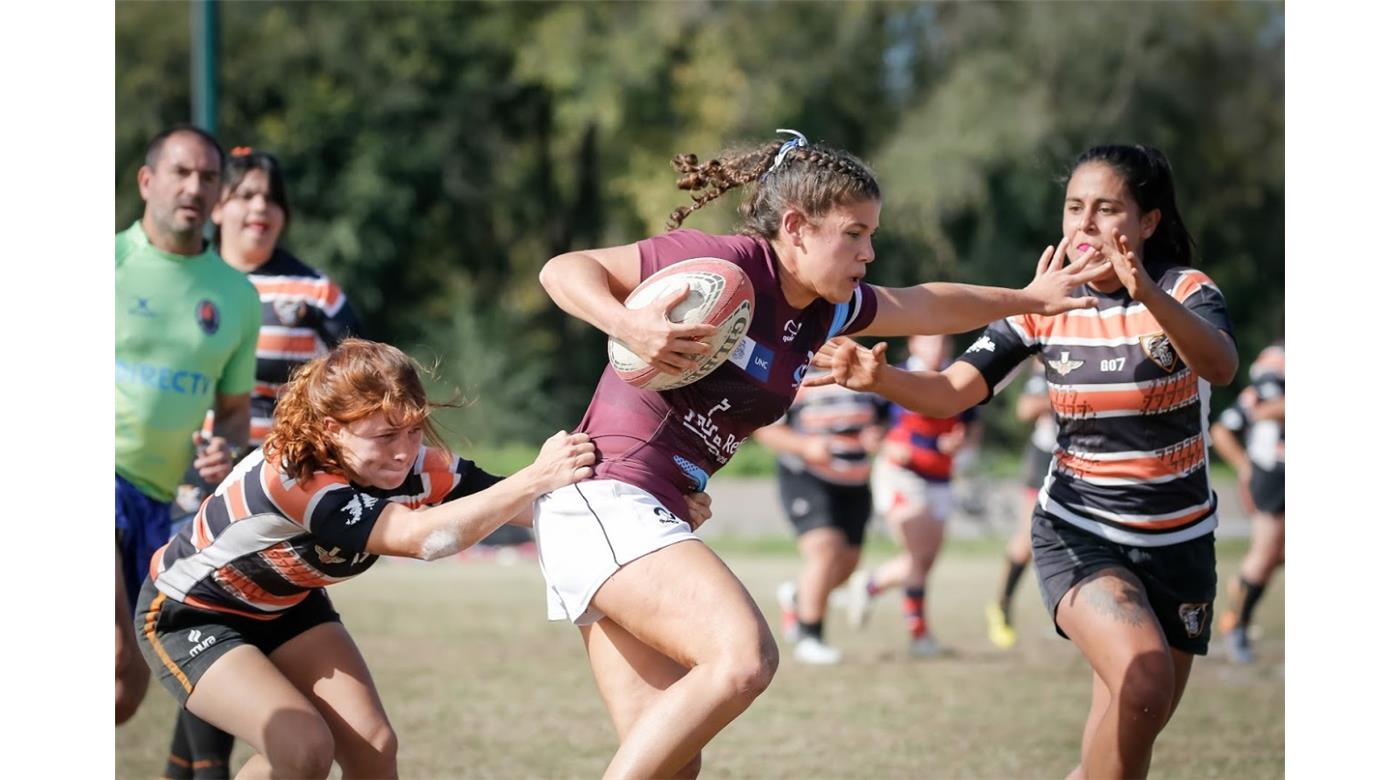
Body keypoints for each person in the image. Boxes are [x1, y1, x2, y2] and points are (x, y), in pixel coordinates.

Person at [534, 129, 1111, 778]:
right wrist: (627, 324)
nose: (869, 252)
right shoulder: (725, 265)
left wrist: (1028, 300)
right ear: (796, 228)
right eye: (854, 234)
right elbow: (563, 270)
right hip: (605, 497)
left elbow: (922, 304)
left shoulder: (822, 311)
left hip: (640, 511)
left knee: (675, 766)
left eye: (872, 235)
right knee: (743, 658)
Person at [810, 144, 1237, 779]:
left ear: (1147, 221)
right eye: (1074, 208)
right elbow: (951, 391)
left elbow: (1220, 366)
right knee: (1144, 681)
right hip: (1080, 531)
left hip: (1182, 543)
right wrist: (882, 379)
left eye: (1106, 209)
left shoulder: (1186, 291)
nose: (1085, 225)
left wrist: (1146, 292)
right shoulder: (1046, 306)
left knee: (1125, 740)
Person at [133, 339, 610, 778]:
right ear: (331, 429)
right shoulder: (295, 476)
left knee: (373, 746)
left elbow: (530, 508)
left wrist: (632, 497)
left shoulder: (416, 466)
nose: (403, 453)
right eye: (385, 436)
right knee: (304, 748)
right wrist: (534, 477)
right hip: (191, 613)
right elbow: (419, 539)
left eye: (413, 430)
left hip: (286, 606)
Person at [162, 146, 364, 780]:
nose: (260, 208)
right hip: (187, 492)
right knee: (207, 641)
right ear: (218, 205)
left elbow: (366, 383)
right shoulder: (183, 282)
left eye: (272, 198)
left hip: (276, 502)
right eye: (246, 194)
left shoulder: (315, 292)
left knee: (230, 651)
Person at [116, 125, 262, 725]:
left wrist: (225, 447)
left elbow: (233, 412)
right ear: (147, 181)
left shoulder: (236, 295)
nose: (194, 187)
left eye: (208, 177)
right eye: (181, 172)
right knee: (111, 650)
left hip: (158, 501)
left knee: (124, 692)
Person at [847, 334, 977, 658]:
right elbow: (870, 427)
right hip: (901, 474)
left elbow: (973, 425)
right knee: (918, 556)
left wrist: (961, 444)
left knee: (925, 560)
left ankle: (871, 585)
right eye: (929, 342)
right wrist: (884, 444)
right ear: (913, 344)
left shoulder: (959, 377)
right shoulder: (895, 376)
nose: (937, 349)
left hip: (941, 476)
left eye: (943, 343)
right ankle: (919, 636)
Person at [753, 370, 886, 665]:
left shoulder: (861, 371)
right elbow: (765, 430)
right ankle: (809, 637)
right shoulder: (794, 373)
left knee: (847, 565)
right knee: (826, 551)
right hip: (806, 477)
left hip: (855, 482)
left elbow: (880, 422)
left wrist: (876, 435)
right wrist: (805, 446)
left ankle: (799, 596)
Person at [1210, 340, 1285, 665]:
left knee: (1274, 555)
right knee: (1265, 552)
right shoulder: (1276, 360)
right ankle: (1236, 624)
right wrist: (1244, 467)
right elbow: (1264, 409)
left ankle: (1242, 589)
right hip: (1273, 472)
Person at [985, 358, 1057, 650]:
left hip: (1087, 457)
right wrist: (1069, 394)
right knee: (1028, 537)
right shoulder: (1049, 366)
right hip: (1045, 458)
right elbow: (1025, 409)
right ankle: (1002, 604)